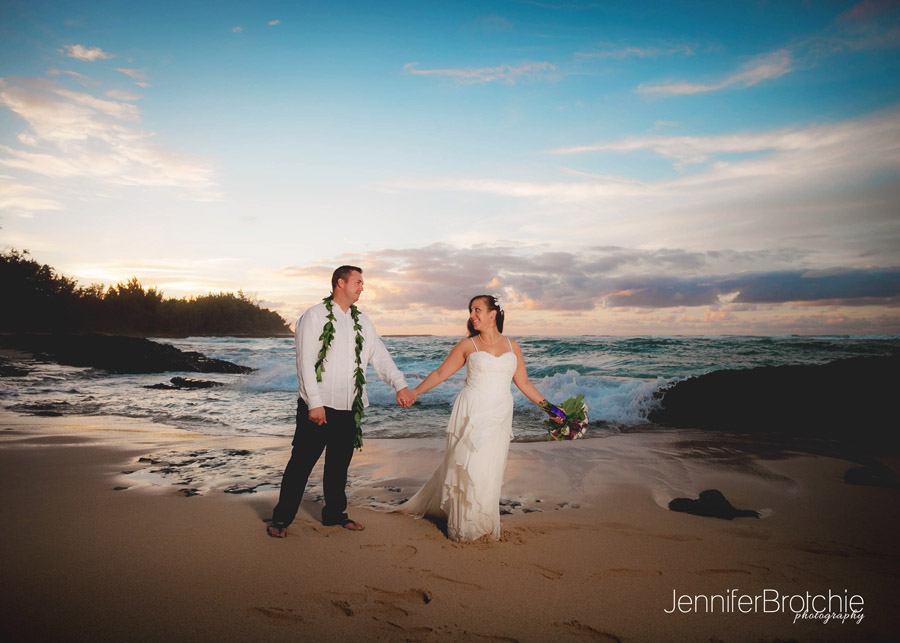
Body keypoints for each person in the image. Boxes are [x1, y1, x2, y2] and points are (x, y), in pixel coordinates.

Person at [396, 295, 564, 542]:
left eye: (477, 310)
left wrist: (550, 408)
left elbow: (524, 383)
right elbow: (441, 372)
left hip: (500, 414)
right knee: (470, 466)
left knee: (490, 468)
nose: (472, 315)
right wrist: (414, 392)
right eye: (471, 311)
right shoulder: (468, 346)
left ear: (493, 314)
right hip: (472, 411)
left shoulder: (512, 346)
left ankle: (484, 521)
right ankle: (464, 528)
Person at [267, 265, 415, 537]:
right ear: (340, 283)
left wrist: (400, 385)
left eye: (362, 282)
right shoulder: (314, 316)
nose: (362, 287)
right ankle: (281, 518)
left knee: (338, 467)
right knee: (301, 464)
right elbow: (305, 363)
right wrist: (314, 403)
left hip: (350, 408)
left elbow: (380, 357)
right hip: (319, 405)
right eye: (358, 282)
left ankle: (335, 515)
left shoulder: (363, 322)